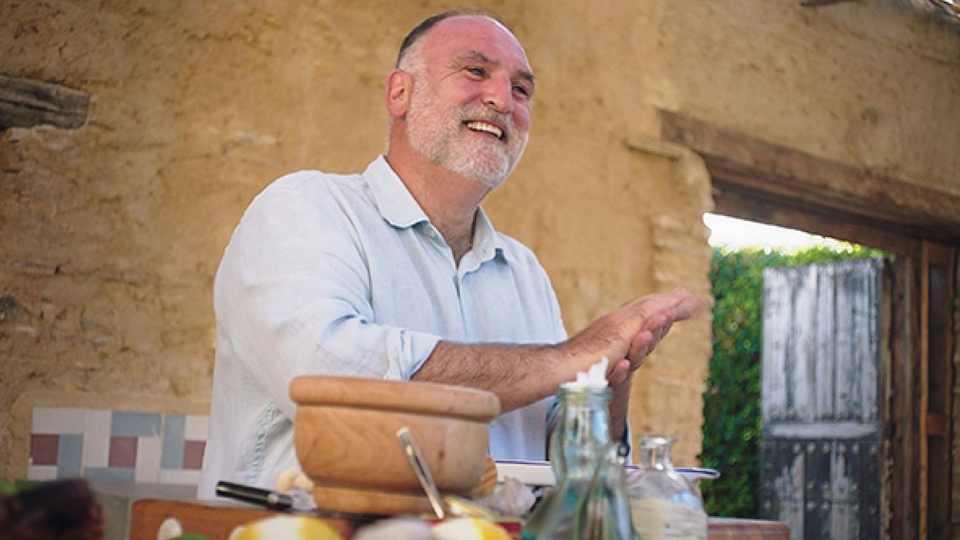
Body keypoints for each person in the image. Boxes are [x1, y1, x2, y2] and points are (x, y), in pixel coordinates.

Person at [197, 8, 709, 499]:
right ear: (400, 92)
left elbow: (569, 465)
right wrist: (571, 356)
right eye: (475, 71)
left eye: (522, 89)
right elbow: (329, 379)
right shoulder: (306, 208)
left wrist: (606, 377)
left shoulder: (525, 271)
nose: (502, 100)